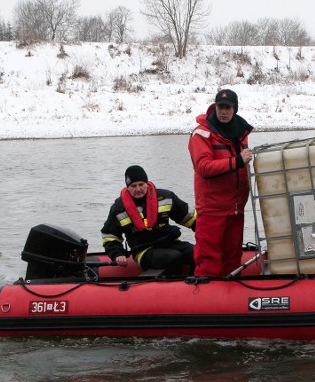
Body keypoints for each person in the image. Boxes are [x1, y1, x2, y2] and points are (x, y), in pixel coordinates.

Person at [188, 88, 254, 277]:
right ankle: (206, 300)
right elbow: (204, 167)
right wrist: (237, 161)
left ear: (235, 109)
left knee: (233, 259)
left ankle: (231, 299)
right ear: (215, 107)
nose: (223, 111)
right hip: (212, 209)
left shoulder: (241, 132)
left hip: (236, 208)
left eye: (228, 107)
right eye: (220, 107)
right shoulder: (201, 134)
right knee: (208, 261)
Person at [101, 165, 197, 277]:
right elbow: (110, 235)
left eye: (141, 184)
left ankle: (197, 282)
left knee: (198, 253)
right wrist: (117, 254)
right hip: (143, 250)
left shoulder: (166, 197)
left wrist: (209, 235)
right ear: (128, 188)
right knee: (173, 257)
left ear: (147, 183)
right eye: (133, 186)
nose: (138, 189)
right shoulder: (119, 207)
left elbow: (189, 218)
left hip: (169, 242)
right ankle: (176, 287)